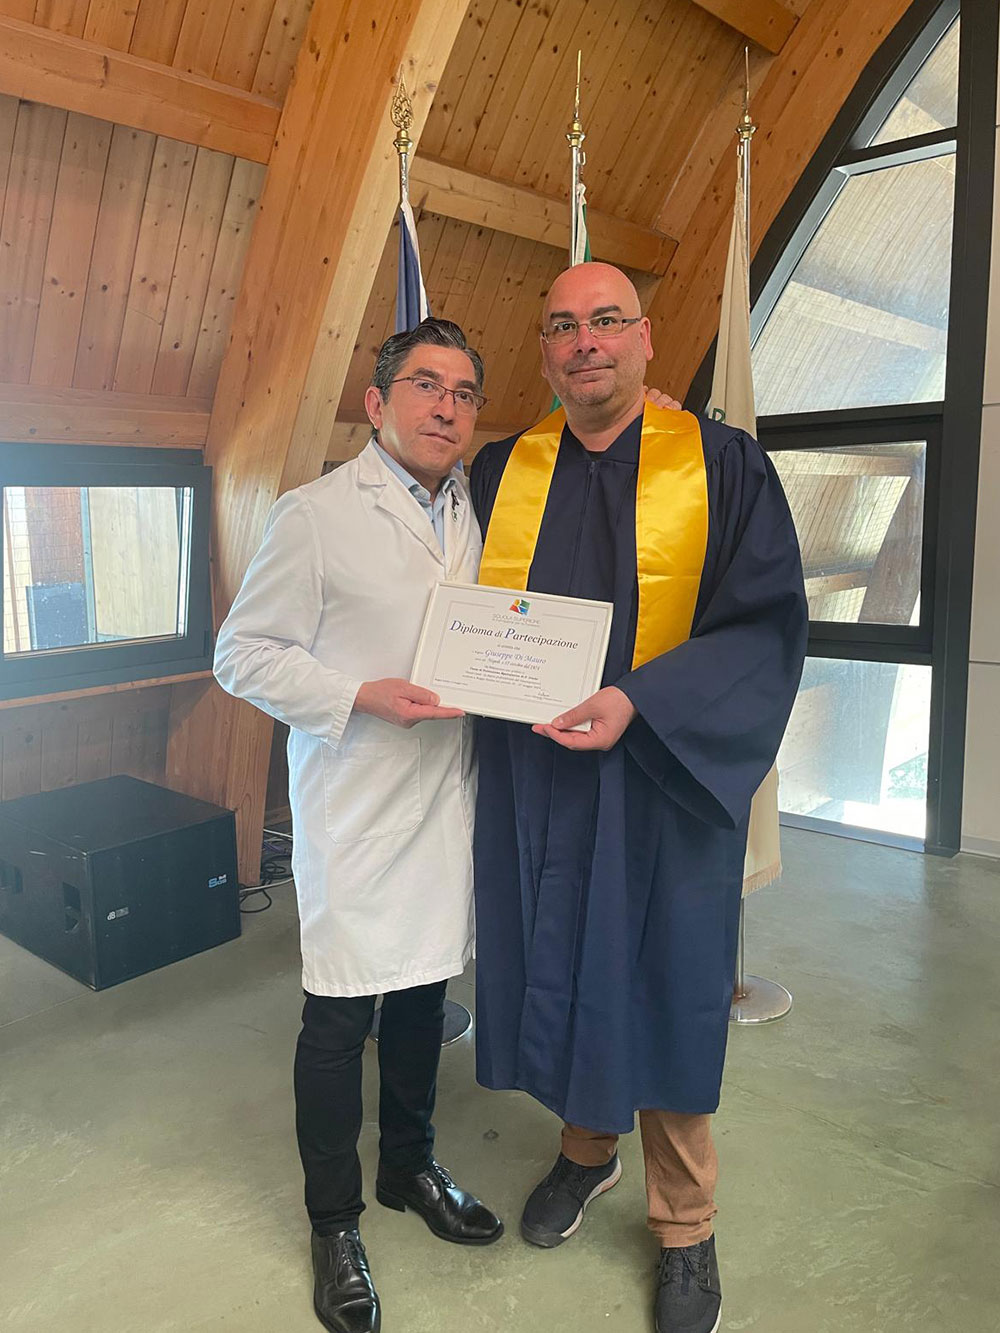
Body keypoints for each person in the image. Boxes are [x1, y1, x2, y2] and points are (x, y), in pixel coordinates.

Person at [469, 263, 808, 1333]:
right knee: (566, 956)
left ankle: (685, 1223)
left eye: (606, 320)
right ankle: (585, 1150)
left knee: (664, 980)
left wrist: (637, 701)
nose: (586, 342)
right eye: (564, 325)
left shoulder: (722, 464)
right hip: (541, 774)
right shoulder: (503, 470)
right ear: (545, 350)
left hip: (662, 774)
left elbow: (765, 625)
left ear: (647, 338)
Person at [214, 318, 503, 1333]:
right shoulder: (315, 514)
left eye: (463, 393)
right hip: (359, 802)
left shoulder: (474, 508)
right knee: (339, 1017)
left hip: (446, 799)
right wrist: (357, 695)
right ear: (377, 403)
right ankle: (334, 1222)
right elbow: (243, 654)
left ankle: (410, 1167)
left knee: (423, 995)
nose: (445, 408)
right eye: (425, 385)